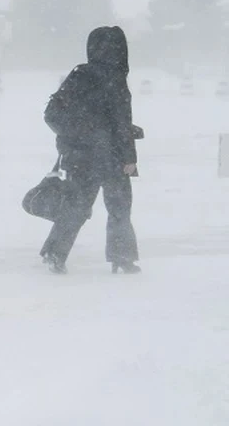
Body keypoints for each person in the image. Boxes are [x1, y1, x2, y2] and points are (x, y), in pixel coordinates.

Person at [40, 25, 142, 275]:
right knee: (119, 207)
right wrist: (129, 157)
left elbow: (53, 113)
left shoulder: (80, 74)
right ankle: (122, 257)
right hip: (113, 157)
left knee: (76, 206)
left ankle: (54, 253)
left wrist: (79, 136)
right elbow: (119, 122)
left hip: (81, 156)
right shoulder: (116, 79)